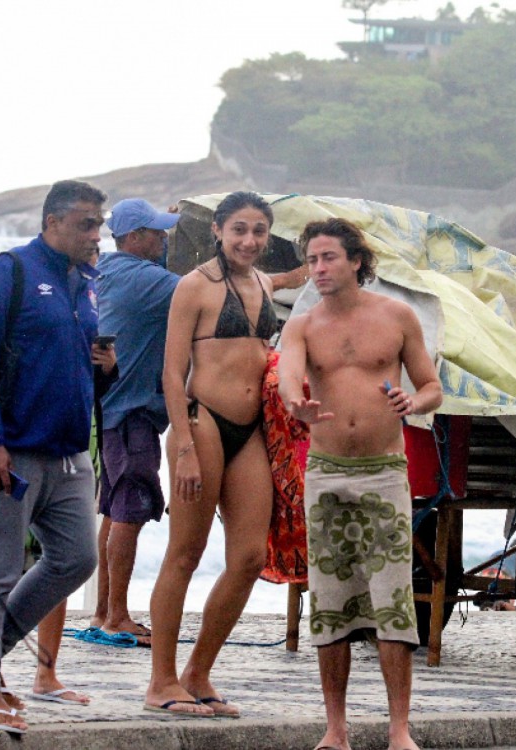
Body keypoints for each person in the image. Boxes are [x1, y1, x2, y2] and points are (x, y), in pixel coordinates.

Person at [279, 217, 443, 750]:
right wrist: (295, 403)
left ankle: (400, 729)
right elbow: (288, 377)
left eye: (328, 258)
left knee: (392, 599)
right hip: (326, 474)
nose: (319, 269)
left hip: (384, 474)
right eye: (311, 260)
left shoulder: (397, 317)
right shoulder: (302, 326)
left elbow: (432, 386)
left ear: (355, 261)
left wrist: (412, 403)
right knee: (330, 598)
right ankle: (336, 728)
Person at [0, 180, 107, 733]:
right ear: (53, 221)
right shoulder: (8, 272)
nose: (96, 234)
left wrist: (98, 363)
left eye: (100, 223)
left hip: (68, 453)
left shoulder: (84, 281)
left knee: (76, 558)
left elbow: (65, 353)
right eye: (87, 223)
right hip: (11, 450)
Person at [144, 191, 279, 719]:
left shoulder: (264, 283)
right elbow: (171, 373)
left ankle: (199, 671)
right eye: (239, 229)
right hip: (201, 426)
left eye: (259, 231)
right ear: (218, 230)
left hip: (251, 432)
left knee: (250, 557)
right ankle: (161, 680)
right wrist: (182, 447)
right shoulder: (193, 287)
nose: (249, 240)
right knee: (185, 552)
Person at [90, 199, 182, 646]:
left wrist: (166, 223)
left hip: (111, 412)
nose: (163, 238)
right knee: (130, 511)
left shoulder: (111, 269)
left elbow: (164, 267)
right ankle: (118, 617)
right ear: (132, 238)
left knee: (112, 509)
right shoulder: (146, 280)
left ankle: (103, 611)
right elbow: (207, 291)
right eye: (155, 231)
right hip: (133, 415)